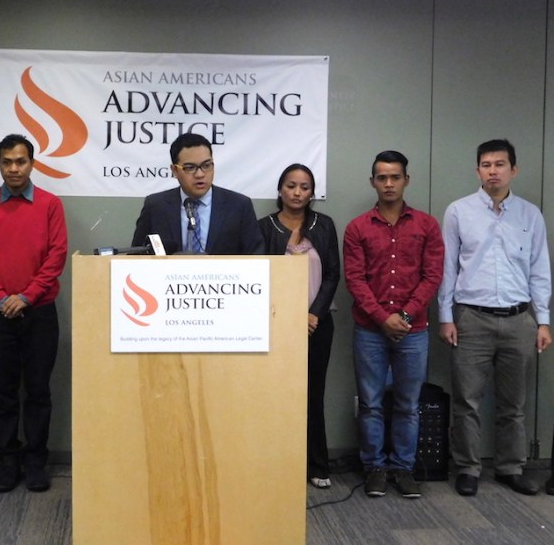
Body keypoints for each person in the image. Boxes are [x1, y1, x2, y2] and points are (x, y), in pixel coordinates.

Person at [438, 139, 551, 497]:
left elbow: (540, 270)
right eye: (485, 165)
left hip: (520, 320)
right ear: (477, 171)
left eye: (500, 164)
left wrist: (543, 320)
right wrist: (446, 316)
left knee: (513, 403)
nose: (492, 171)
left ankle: (509, 467)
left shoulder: (530, 214)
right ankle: (468, 468)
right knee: (467, 400)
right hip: (472, 318)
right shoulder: (459, 211)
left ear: (513, 170)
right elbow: (447, 269)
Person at [0, 134, 68, 493]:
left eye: (21, 161)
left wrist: (25, 297)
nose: (14, 168)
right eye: (7, 162)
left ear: (32, 163)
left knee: (39, 391)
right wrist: (0, 298)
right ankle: (8, 461)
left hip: (39, 312)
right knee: (4, 392)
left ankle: (36, 461)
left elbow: (56, 256)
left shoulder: (50, 204)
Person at [343, 150, 444, 499]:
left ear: (406, 180)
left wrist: (404, 316)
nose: (388, 183)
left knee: (408, 404)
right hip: (370, 330)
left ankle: (402, 469)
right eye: (382, 177)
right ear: (373, 182)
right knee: (370, 402)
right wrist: (382, 318)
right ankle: (374, 468)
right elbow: (354, 279)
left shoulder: (427, 225)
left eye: (395, 177)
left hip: (413, 332)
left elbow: (432, 276)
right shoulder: (357, 228)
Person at [258, 164, 340, 489]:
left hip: (317, 325)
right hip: (276, 325)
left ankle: (318, 466)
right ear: (280, 190)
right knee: (276, 397)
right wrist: (290, 315)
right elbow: (259, 274)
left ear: (311, 192)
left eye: (304, 187)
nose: (297, 192)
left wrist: (313, 313)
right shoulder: (264, 227)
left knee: (313, 395)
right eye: (291, 186)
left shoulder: (324, 225)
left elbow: (333, 274)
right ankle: (277, 466)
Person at [131, 133, 265, 255]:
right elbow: (136, 256)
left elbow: (256, 256)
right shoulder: (156, 206)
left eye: (207, 166)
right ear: (174, 171)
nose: (200, 174)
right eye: (190, 168)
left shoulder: (239, 206)